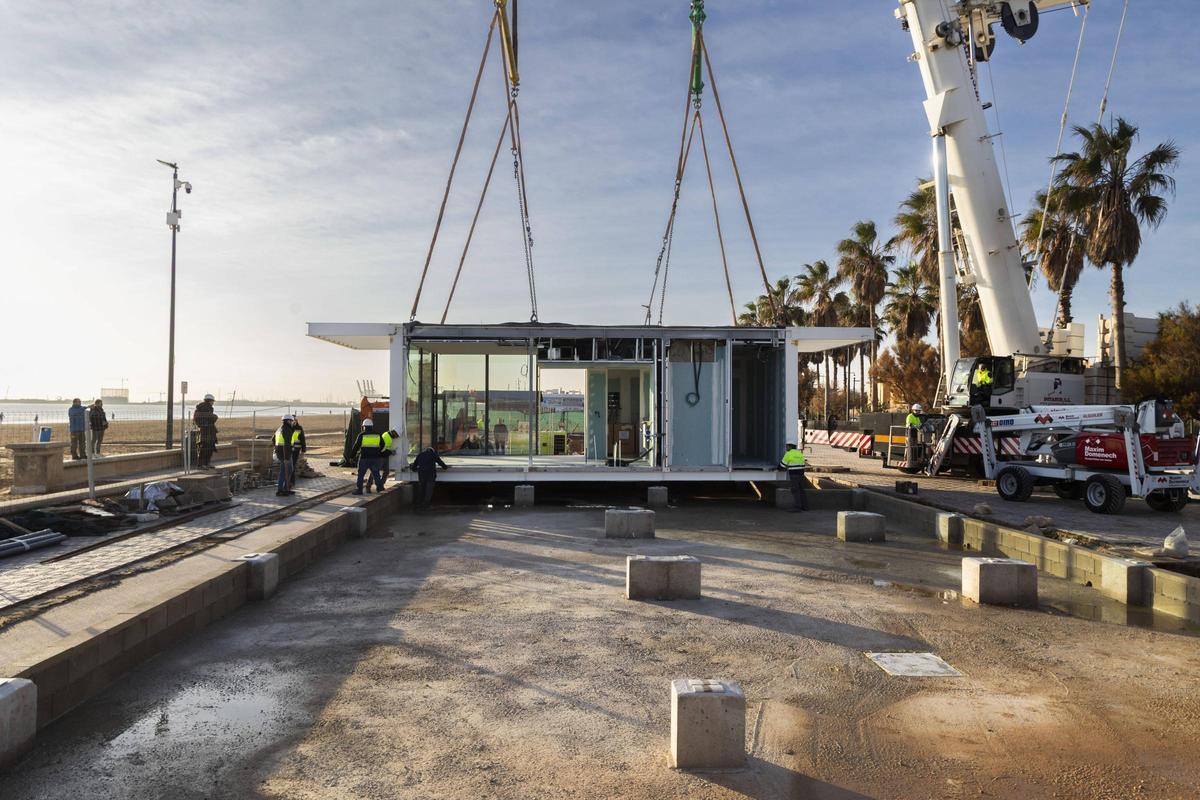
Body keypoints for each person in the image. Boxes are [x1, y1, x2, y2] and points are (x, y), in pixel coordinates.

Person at [350, 418, 384, 495]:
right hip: (375, 458)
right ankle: (380, 488)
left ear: (364, 426)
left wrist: (352, 456)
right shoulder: (378, 435)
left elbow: (356, 446)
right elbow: (383, 445)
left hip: (364, 458)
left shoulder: (362, 435)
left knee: (361, 474)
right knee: (376, 474)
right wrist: (378, 451)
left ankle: (359, 490)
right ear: (372, 426)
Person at [273, 414, 300, 496]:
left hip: (281, 453)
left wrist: (277, 448)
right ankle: (281, 490)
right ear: (288, 421)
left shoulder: (279, 429)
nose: (292, 422)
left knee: (289, 470)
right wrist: (286, 457)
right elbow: (287, 444)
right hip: (286, 454)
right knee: (284, 471)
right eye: (291, 421)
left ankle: (286, 488)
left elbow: (273, 439)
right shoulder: (287, 429)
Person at [779, 442, 809, 512]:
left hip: (794, 475)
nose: (786, 448)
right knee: (801, 490)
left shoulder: (788, 454)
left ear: (789, 447)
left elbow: (782, 466)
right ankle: (805, 507)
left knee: (795, 490)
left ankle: (797, 507)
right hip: (801, 474)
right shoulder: (800, 453)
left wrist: (778, 468)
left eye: (786, 446)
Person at [193, 394, 219, 469]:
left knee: (208, 448)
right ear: (210, 401)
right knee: (206, 448)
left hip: (207, 430)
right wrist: (214, 417)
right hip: (206, 431)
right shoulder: (205, 408)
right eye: (212, 401)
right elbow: (212, 417)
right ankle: (202, 464)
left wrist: (212, 417)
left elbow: (210, 418)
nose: (213, 403)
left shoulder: (203, 408)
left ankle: (206, 463)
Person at [289, 416, 307, 487]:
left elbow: (303, 439)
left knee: (292, 464)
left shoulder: (299, 428)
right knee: (290, 465)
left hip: (296, 449)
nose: (294, 422)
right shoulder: (289, 428)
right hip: (289, 449)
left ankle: (292, 481)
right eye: (292, 420)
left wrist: (303, 450)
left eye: (295, 420)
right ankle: (290, 480)